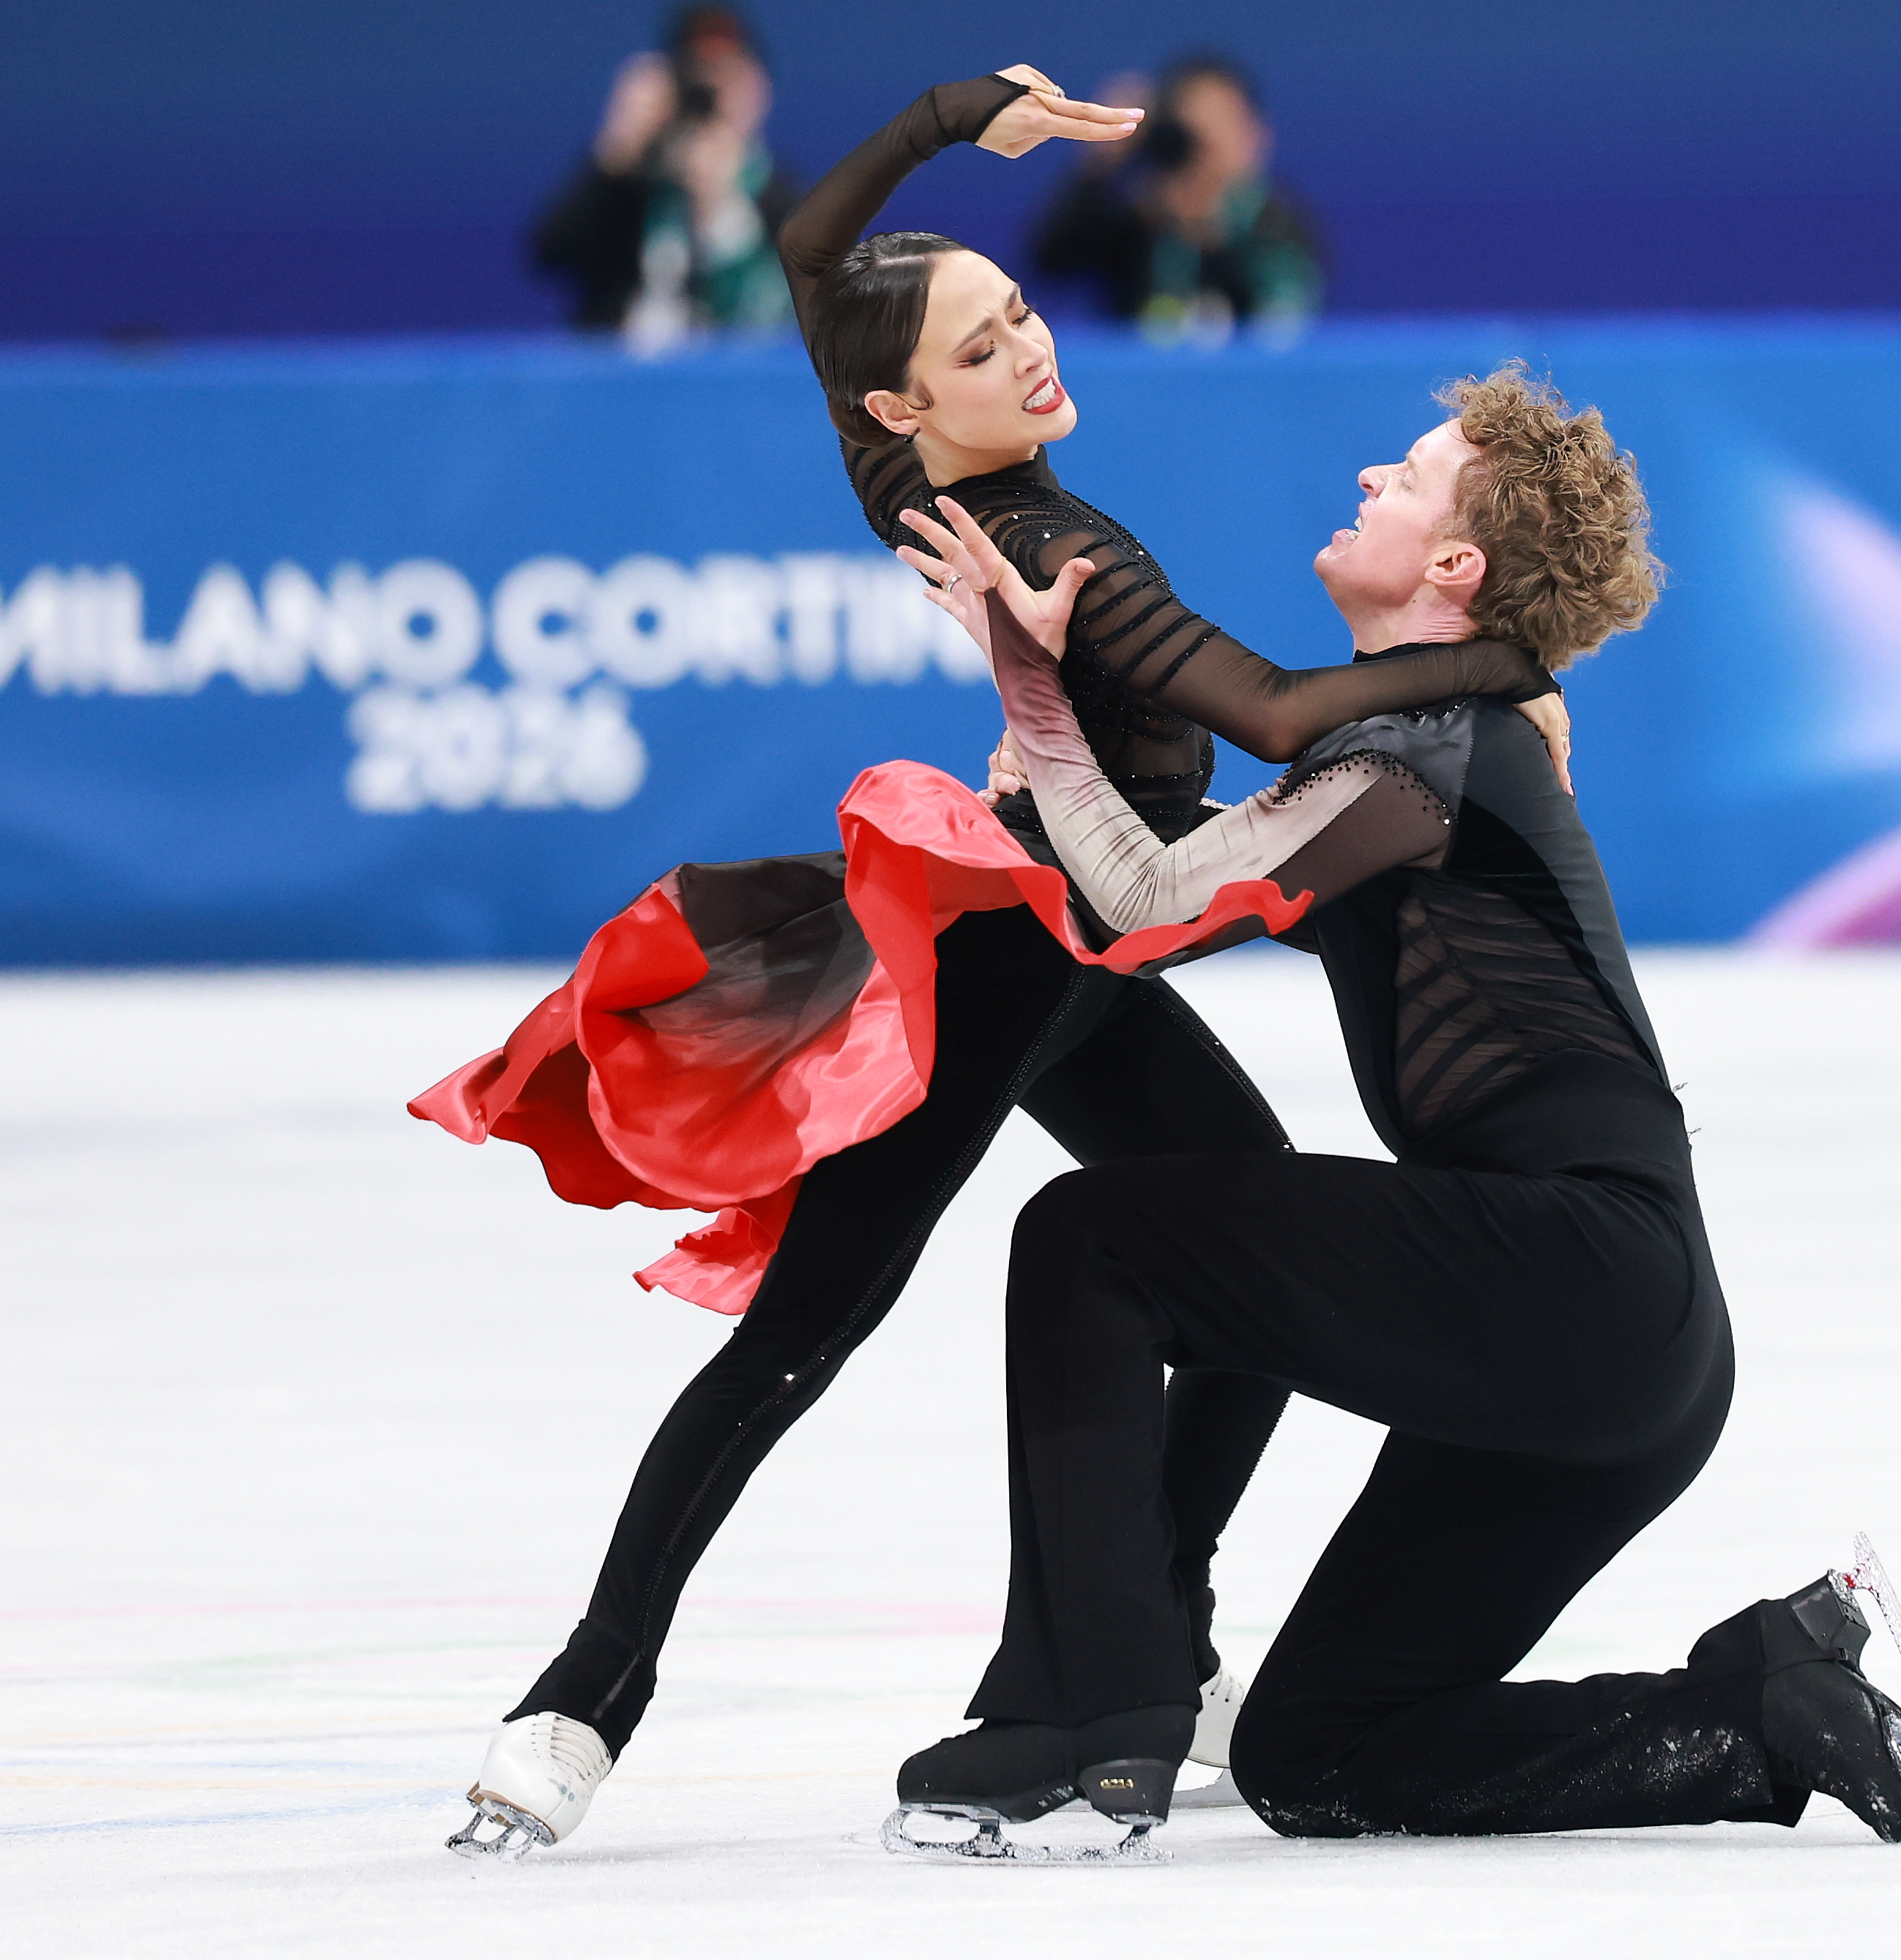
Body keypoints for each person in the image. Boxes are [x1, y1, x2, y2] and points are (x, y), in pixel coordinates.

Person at [423, 65, 1570, 1859]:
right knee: (808, 1329)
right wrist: (1503, 663)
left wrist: (965, 117)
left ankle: (1160, 1636)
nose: (1028, 349)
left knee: (1254, 1253)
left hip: (1081, 951)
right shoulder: (1060, 554)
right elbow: (1280, 714)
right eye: (979, 346)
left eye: (1019, 309)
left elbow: (811, 260)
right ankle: (580, 1696)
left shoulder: (912, 481)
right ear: (907, 402)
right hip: (1009, 965)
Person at [879, 366, 1901, 1855]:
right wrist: (1048, 751)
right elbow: (1194, 868)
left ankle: (1086, 1713)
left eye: (1402, 476)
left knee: (1092, 1239)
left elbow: (1143, 899)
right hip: (1628, 1348)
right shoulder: (1424, 753)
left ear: (1454, 565)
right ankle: (1760, 1706)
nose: (1366, 483)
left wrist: (1028, 684)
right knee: (1319, 1755)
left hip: (1574, 1271)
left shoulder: (1430, 747)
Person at [529, 6, 797, 349]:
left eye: (727, 77)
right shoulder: (633, 192)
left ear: (758, 88)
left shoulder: (784, 200)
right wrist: (618, 148)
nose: (711, 94)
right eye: (697, 77)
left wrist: (717, 197)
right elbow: (550, 253)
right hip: (628, 372)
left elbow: (805, 298)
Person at [1030, 52, 1323, 346]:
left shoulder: (1279, 226)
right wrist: (1101, 160)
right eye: (1194, 124)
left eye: (1223, 120)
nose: (1208, 140)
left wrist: (1209, 229)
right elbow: (1050, 261)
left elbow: (1286, 321)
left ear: (1254, 135)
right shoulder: (1135, 222)